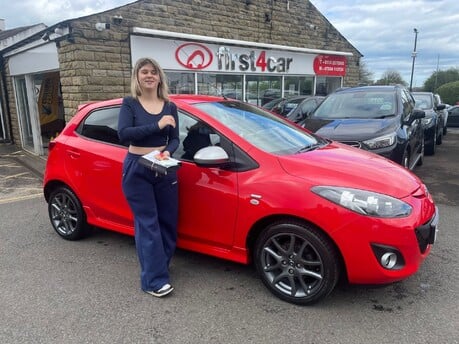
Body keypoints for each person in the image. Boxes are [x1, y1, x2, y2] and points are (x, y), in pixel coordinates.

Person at [118, 57, 179, 298]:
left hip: (163, 166)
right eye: (144, 72)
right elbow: (124, 134)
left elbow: (175, 138)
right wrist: (157, 125)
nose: (149, 75)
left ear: (160, 77)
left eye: (154, 71)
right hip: (137, 167)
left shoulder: (169, 105)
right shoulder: (130, 103)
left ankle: (158, 267)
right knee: (148, 225)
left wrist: (168, 151)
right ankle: (153, 281)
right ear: (137, 77)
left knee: (168, 222)